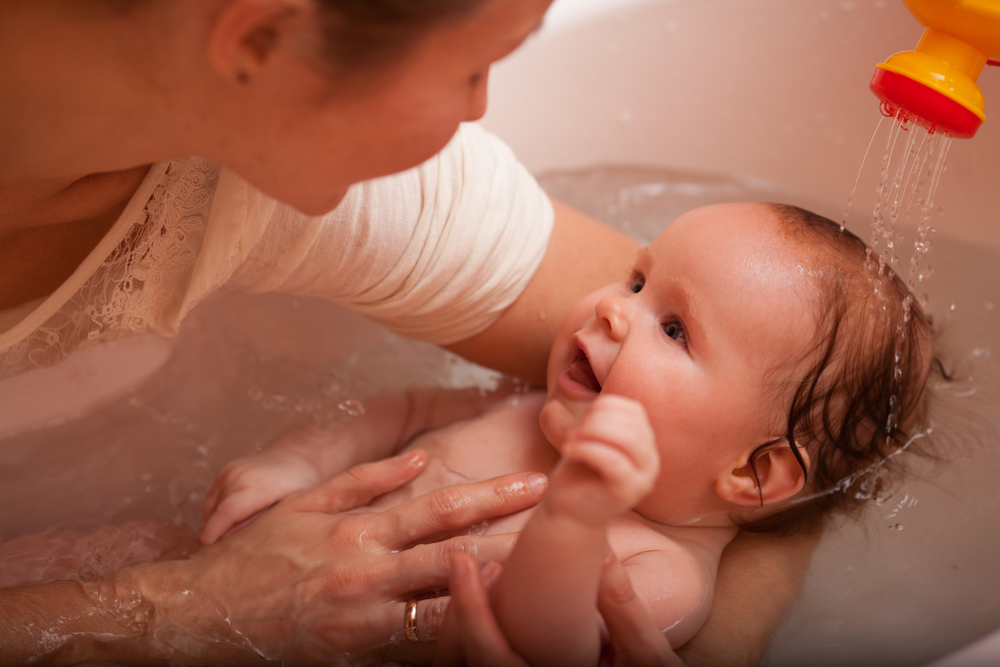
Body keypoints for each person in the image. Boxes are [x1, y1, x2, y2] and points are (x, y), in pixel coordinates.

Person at [0, 0, 818, 663]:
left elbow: (824, 407)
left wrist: (722, 639)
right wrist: (181, 606)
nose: (480, 110)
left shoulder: (345, 185)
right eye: (470, 67)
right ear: (258, 37)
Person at [202, 203, 933, 665]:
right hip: (253, 564)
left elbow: (546, 641)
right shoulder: (531, 405)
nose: (616, 310)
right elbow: (404, 409)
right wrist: (294, 462)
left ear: (753, 474)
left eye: (674, 328)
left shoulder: (665, 571)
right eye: (638, 280)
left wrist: (574, 516)